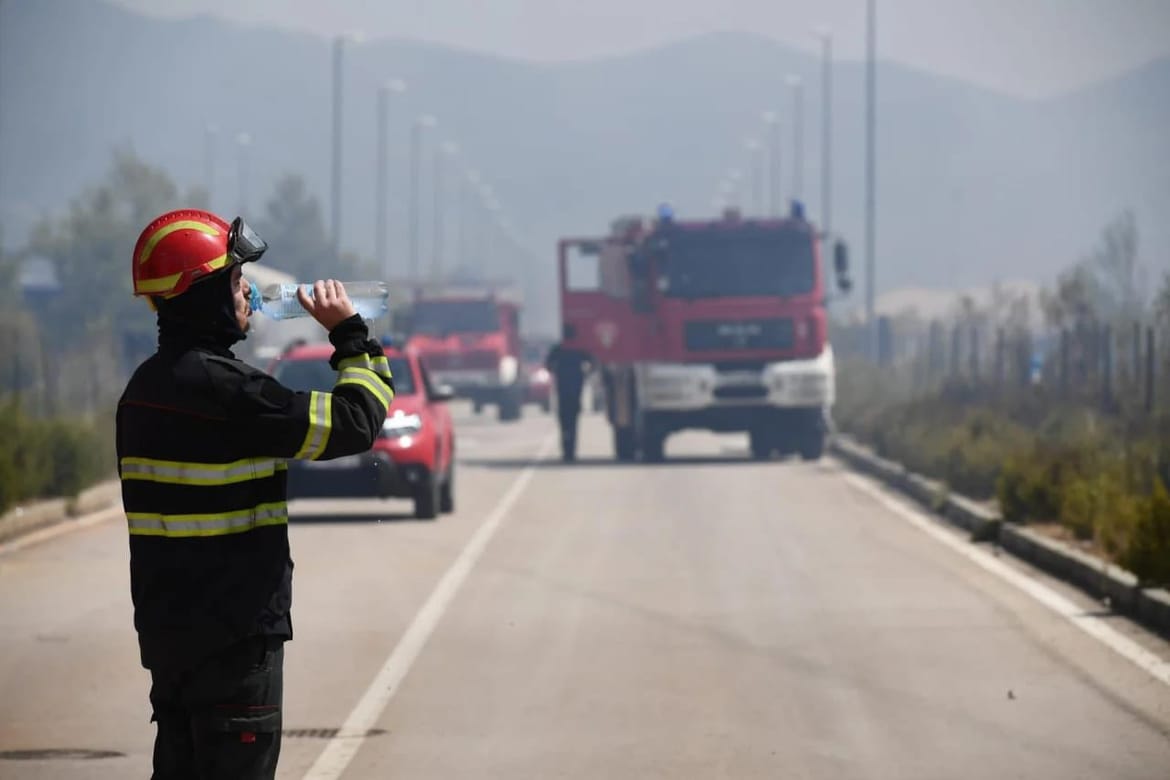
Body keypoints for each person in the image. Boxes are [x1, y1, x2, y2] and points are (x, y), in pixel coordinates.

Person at [117, 209, 395, 779]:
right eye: (234, 278)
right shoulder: (232, 393)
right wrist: (350, 333)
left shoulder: (141, 393)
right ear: (202, 294)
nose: (245, 290)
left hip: (170, 644)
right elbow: (355, 421)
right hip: (235, 645)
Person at [545, 338, 595, 461]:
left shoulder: (559, 349)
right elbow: (593, 362)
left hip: (564, 390)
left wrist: (555, 371)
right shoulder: (579, 349)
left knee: (565, 423)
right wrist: (586, 373)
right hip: (573, 390)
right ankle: (570, 452)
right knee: (572, 422)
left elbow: (548, 365)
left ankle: (567, 451)